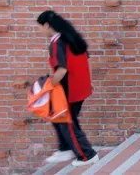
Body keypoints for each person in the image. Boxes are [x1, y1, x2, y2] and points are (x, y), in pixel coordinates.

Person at [37, 10, 99, 166]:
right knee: (58, 117)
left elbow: (62, 69)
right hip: (81, 86)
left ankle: (87, 155)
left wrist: (49, 87)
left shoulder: (57, 42)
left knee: (68, 123)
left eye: (39, 27)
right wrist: (89, 81)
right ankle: (65, 149)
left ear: (46, 25)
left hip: (69, 90)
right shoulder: (72, 37)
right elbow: (87, 60)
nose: (39, 30)